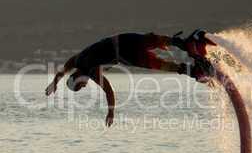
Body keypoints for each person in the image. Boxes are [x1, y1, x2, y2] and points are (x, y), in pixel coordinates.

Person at [45, 30, 217, 127]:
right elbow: (63, 69)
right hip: (123, 38)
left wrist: (110, 112)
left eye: (81, 85)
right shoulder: (78, 60)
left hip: (125, 53)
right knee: (154, 40)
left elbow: (108, 91)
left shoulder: (90, 71)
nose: (84, 85)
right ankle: (187, 43)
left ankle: (193, 70)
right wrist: (54, 82)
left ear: (77, 77)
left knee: (159, 64)